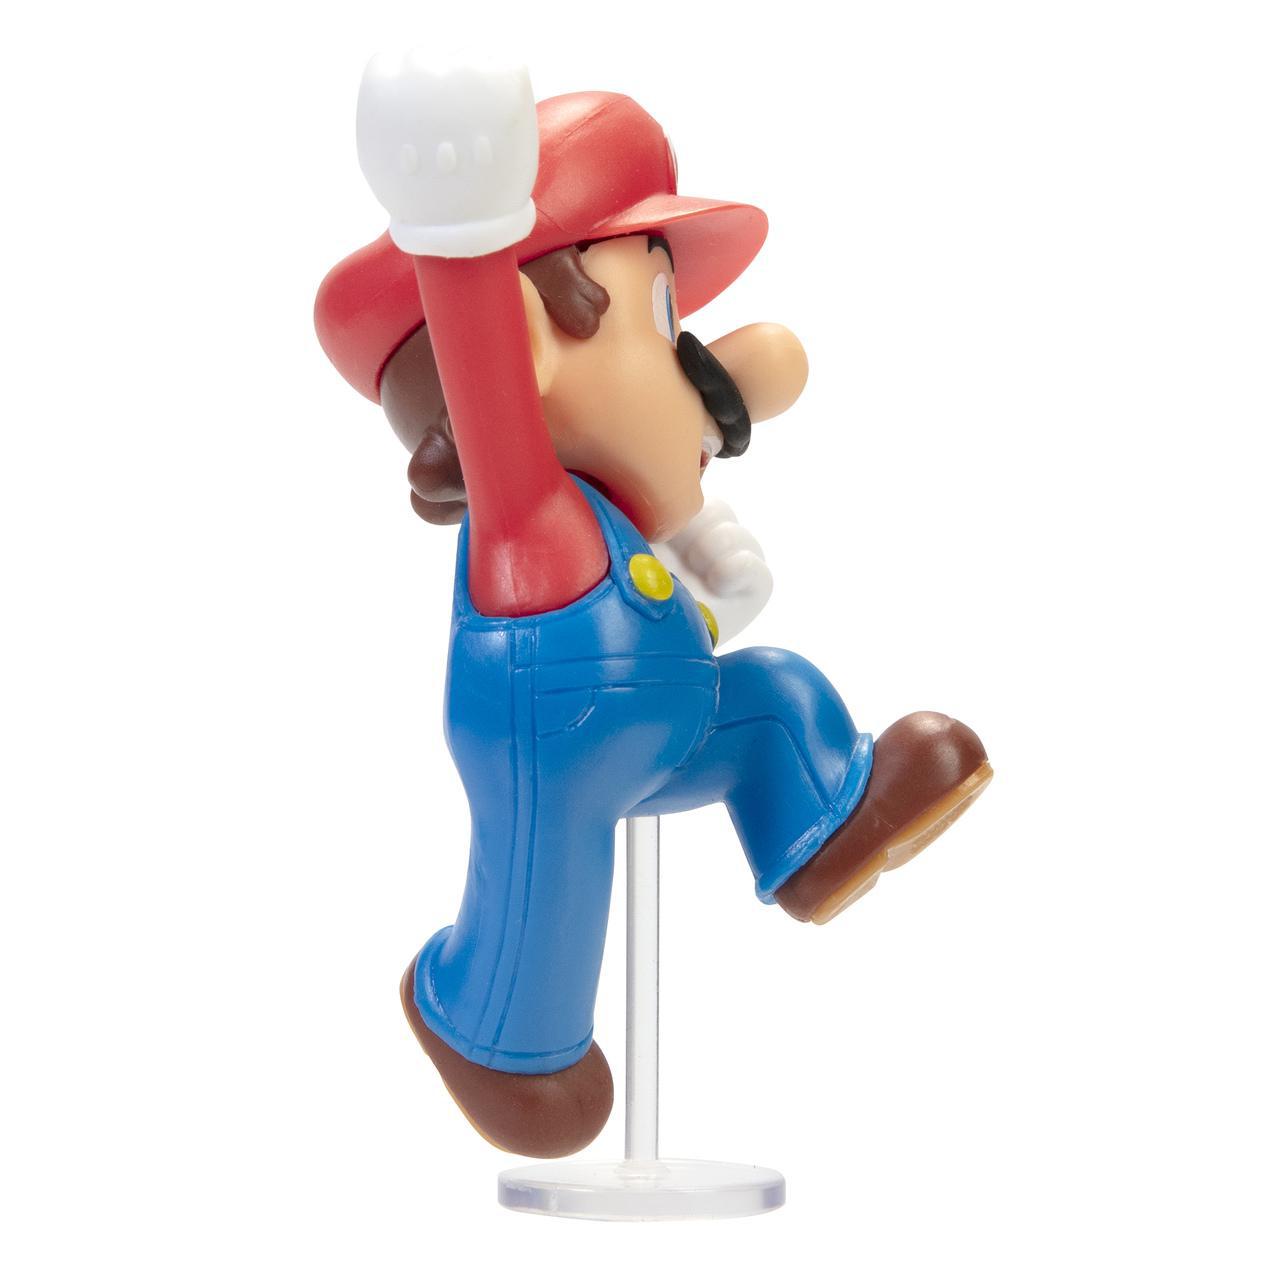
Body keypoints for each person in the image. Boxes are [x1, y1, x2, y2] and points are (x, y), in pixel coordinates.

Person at [315, 59, 992, 1158]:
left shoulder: (617, 529)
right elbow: (487, 380)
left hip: (661, 732)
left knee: (770, 696)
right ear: (532, 340)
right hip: (554, 763)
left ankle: (820, 814)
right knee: (551, 898)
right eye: (661, 311)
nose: (705, 364)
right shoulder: (528, 512)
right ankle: (489, 1030)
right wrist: (460, 224)